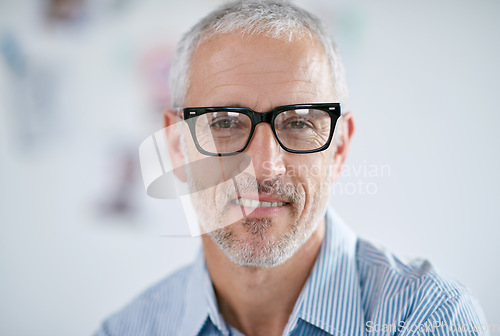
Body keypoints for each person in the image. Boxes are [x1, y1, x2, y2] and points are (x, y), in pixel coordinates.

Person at [94, 1, 488, 335]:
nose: (266, 167)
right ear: (177, 147)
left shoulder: (428, 320)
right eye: (225, 123)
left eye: (299, 122)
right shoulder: (129, 329)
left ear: (340, 147)